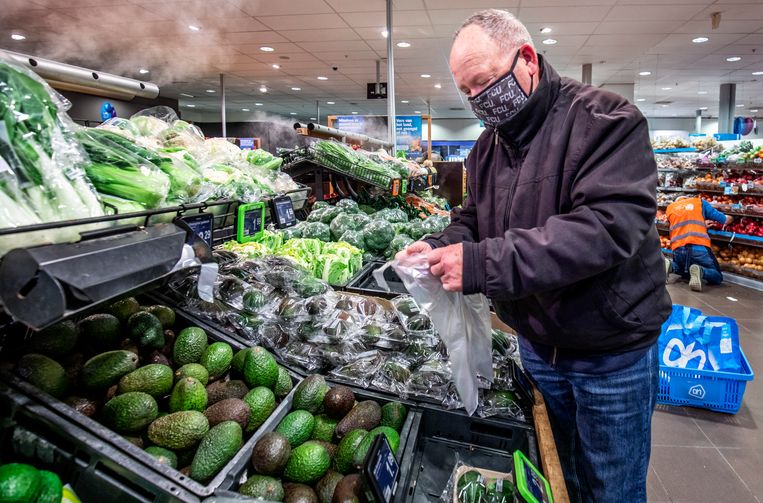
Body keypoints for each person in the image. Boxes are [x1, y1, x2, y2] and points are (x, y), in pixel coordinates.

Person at [399, 9, 672, 502]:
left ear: (526, 59)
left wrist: (482, 265)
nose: (478, 101)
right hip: (538, 350)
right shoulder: (487, 149)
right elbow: (474, 218)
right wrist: (440, 245)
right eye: (467, 93)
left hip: (608, 354)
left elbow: (607, 229)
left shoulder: (606, 122)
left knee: (611, 488)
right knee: (558, 474)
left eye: (484, 83)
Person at [665, 196, 731, 292]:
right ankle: (702, 271)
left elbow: (683, 222)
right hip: (698, 246)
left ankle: (671, 266)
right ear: (687, 198)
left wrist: (702, 222)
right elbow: (723, 219)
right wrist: (732, 218)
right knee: (717, 276)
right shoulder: (699, 202)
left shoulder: (670, 208)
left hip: (678, 249)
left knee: (686, 273)